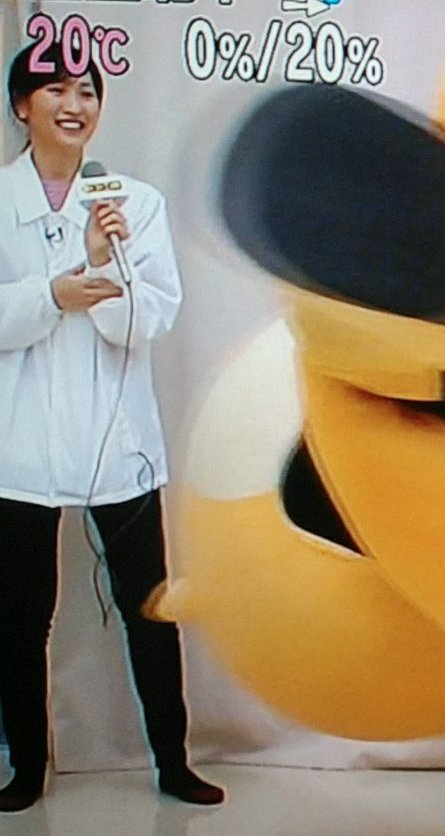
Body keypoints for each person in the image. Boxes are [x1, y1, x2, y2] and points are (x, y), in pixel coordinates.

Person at [0, 42, 223, 812]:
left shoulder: (134, 203)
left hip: (119, 443)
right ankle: (27, 770)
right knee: (19, 617)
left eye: (88, 90)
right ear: (22, 105)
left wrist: (102, 266)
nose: (75, 104)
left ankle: (174, 763)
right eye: (56, 89)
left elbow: (148, 320)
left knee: (149, 606)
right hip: (19, 446)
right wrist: (51, 295)